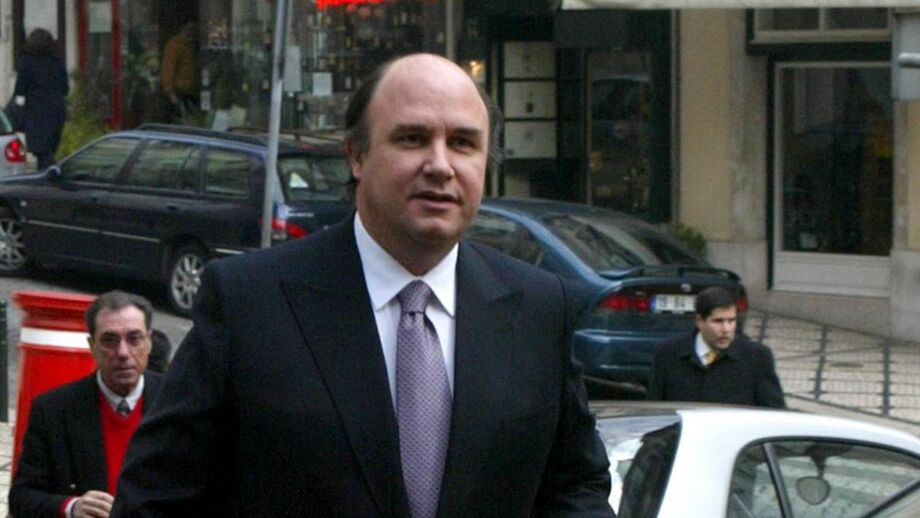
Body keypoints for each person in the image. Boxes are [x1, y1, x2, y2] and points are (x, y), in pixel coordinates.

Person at [113, 53, 614, 517]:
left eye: (463, 143)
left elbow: (575, 489)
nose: (441, 165)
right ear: (356, 156)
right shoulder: (248, 302)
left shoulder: (539, 308)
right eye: (412, 138)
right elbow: (155, 498)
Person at [9, 291, 163, 518]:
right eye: (110, 340)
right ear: (92, 346)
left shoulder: (176, 401)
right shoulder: (53, 410)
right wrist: (71, 508)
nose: (123, 353)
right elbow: (21, 497)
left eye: (134, 339)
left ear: (149, 342)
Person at [646, 286, 786, 408]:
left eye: (731, 321)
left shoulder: (757, 357)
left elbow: (775, 413)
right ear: (700, 321)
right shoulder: (668, 354)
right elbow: (655, 411)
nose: (726, 329)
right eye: (718, 321)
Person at [12, 28, 69, 170]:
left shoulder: (26, 62)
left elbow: (20, 91)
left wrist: (18, 109)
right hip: (57, 110)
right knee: (49, 150)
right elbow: (65, 88)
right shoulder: (57, 61)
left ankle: (50, 176)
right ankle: (47, 175)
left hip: (37, 112)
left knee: (42, 152)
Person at [160, 21, 198, 121]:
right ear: (182, 28)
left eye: (193, 30)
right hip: (180, 92)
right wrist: (170, 92)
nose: (191, 32)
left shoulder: (192, 45)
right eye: (189, 29)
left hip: (191, 91)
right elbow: (168, 69)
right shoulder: (174, 45)